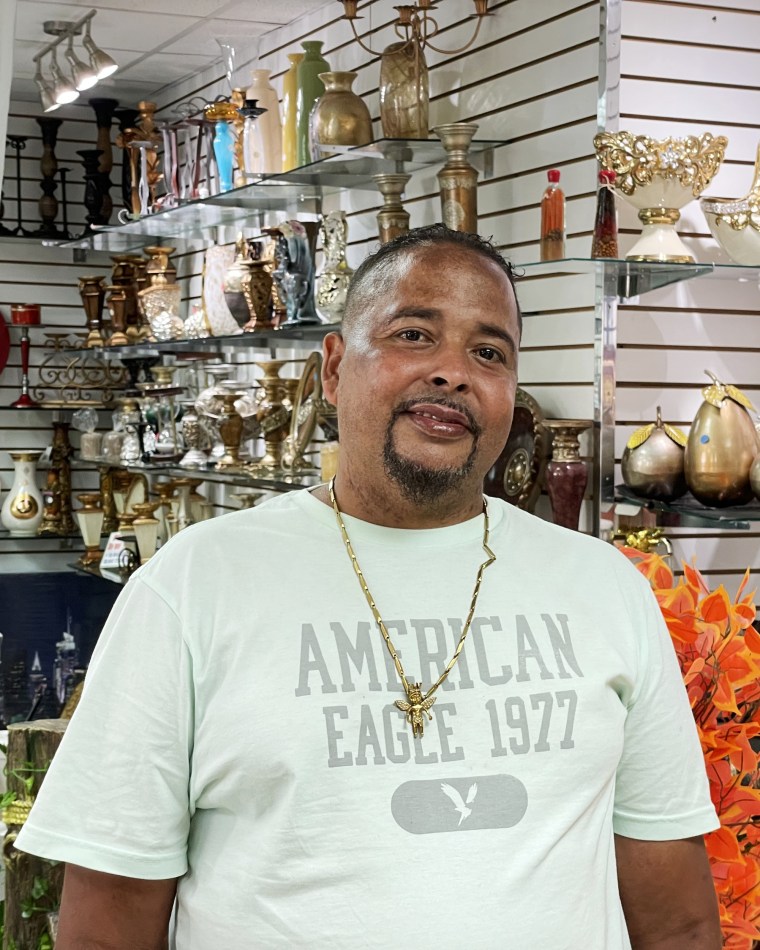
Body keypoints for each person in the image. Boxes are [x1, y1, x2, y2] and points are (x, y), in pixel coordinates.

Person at [17, 224, 721, 950]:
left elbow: (679, 923)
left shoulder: (605, 587)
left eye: (489, 352)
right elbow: (106, 929)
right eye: (414, 334)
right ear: (332, 369)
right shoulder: (193, 588)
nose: (453, 372)